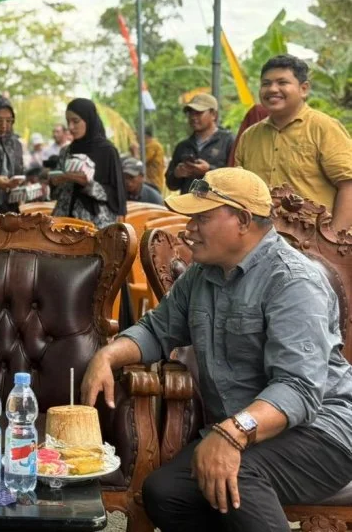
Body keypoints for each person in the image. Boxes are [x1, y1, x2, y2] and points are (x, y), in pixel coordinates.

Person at [81, 167, 352, 532]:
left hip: (322, 433)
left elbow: (299, 390)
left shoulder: (293, 281)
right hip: (242, 429)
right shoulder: (202, 274)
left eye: (201, 218)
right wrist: (107, 355)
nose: (188, 229)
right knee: (164, 493)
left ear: (242, 220)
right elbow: (156, 330)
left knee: (236, 474)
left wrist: (232, 434)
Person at [235, 55, 352, 231]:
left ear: (303, 89)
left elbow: (348, 185)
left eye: (282, 82)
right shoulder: (249, 136)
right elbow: (239, 190)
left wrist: (332, 240)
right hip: (261, 242)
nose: (272, 89)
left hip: (314, 244)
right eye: (266, 83)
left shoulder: (324, 128)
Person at [49, 98, 126, 227]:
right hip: (63, 224)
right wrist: (55, 182)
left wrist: (88, 184)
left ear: (89, 119)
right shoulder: (66, 151)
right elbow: (56, 194)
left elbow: (116, 195)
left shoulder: (107, 151)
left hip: (95, 226)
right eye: (68, 122)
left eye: (76, 121)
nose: (71, 127)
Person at [166, 94, 235, 195]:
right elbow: (171, 185)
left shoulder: (229, 141)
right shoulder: (183, 146)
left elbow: (236, 179)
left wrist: (209, 171)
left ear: (214, 115)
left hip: (217, 206)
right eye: (190, 113)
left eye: (198, 113)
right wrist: (177, 173)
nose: (193, 117)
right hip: (188, 207)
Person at [144, 127, 166, 194]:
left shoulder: (152, 145)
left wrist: (135, 153)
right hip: (152, 181)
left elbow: (142, 161)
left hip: (153, 182)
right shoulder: (151, 145)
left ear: (145, 136)